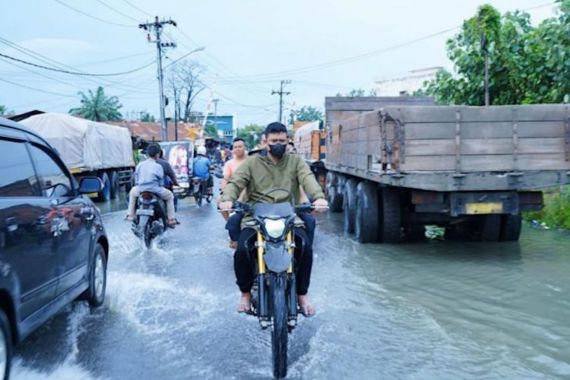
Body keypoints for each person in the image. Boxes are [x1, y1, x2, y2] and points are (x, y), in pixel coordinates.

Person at [218, 122, 328, 316]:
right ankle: (244, 293)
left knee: (306, 248)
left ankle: (302, 294)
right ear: (264, 142)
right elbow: (236, 183)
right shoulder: (251, 163)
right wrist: (227, 199)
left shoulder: (296, 161)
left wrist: (318, 197)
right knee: (242, 249)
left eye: (282, 141)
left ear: (288, 141)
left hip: (288, 215)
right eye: (273, 141)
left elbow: (308, 179)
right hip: (256, 216)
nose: (278, 144)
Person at [126, 143, 177, 227]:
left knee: (132, 193)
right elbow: (161, 182)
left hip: (141, 189)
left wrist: (139, 185)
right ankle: (171, 219)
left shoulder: (140, 164)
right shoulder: (158, 166)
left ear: (147, 154)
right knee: (170, 196)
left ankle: (130, 215)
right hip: (155, 189)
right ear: (158, 154)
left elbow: (136, 179)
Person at [220, 138, 248, 247]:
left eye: (240, 146)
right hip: (235, 192)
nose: (238, 149)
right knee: (222, 204)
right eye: (235, 147)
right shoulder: (229, 164)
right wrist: (224, 194)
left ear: (244, 148)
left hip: (251, 193)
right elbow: (226, 179)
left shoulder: (251, 161)